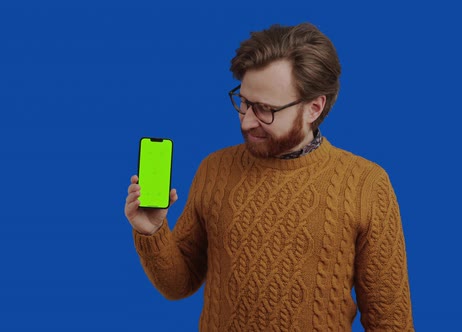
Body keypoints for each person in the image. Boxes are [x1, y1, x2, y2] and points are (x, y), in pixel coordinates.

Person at [124, 22, 414, 331]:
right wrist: (152, 232)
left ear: (314, 107)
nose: (247, 121)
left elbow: (390, 321)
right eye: (244, 102)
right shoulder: (215, 169)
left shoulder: (366, 184)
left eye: (265, 109)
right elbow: (178, 285)